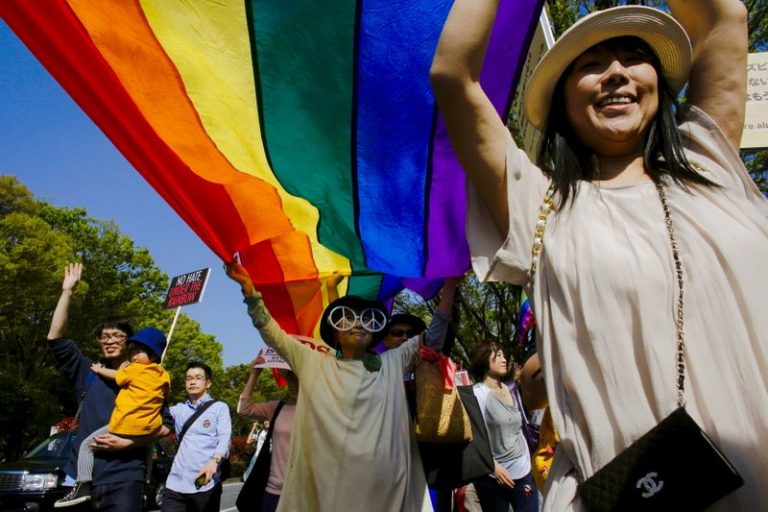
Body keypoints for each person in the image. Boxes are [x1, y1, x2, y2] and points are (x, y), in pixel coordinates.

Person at [431, 1, 767, 509]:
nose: (614, 73)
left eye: (633, 55)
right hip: (628, 492)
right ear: (562, 101)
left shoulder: (710, 167)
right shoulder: (539, 208)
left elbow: (724, 17)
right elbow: (453, 75)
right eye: (590, 65)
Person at [227, 263, 433, 511]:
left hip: (384, 490)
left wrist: (450, 286)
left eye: (365, 319)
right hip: (330, 487)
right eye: (347, 319)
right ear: (335, 333)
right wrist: (251, 293)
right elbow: (274, 335)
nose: (357, 324)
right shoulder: (315, 364)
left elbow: (433, 338)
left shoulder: (390, 363)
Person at [47, 263, 171, 511]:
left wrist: (131, 443)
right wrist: (67, 292)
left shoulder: (148, 379)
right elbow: (56, 339)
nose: (110, 341)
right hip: (82, 478)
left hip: (125, 477)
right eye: (104, 336)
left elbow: (166, 425)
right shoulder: (89, 371)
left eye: (117, 336)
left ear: (131, 343)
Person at [55, 328, 171, 507]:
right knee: (148, 450)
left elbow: (117, 376)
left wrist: (99, 369)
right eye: (133, 350)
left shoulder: (135, 370)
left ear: (154, 355)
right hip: (149, 426)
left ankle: (82, 485)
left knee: (87, 446)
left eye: (118, 336)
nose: (134, 355)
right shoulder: (162, 375)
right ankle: (146, 482)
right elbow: (164, 414)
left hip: (124, 429)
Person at [469, 340, 538, 512]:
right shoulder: (478, 394)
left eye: (503, 354)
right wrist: (494, 467)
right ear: (484, 360)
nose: (504, 359)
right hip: (494, 477)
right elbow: (473, 437)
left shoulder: (512, 389)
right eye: (498, 355)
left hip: (524, 472)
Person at [163, 362, 232, 512]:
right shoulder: (178, 410)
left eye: (198, 378)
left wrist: (214, 461)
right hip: (175, 484)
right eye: (188, 378)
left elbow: (224, 438)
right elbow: (154, 414)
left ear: (208, 383)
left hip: (204, 483)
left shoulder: (219, 408)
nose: (192, 382)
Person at [237, 354, 299, 512]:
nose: (293, 383)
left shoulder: (321, 410)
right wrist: (255, 373)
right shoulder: (277, 408)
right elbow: (244, 409)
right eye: (290, 378)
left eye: (298, 377)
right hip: (273, 490)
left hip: (304, 492)